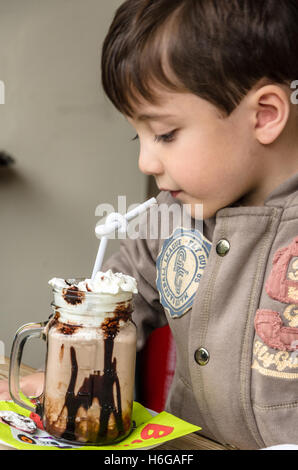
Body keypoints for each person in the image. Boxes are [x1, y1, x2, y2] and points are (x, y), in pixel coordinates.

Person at [2, 0, 298, 449]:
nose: (146, 160)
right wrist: (59, 376)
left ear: (264, 115)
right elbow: (117, 303)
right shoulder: (168, 218)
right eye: (136, 135)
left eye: (165, 133)